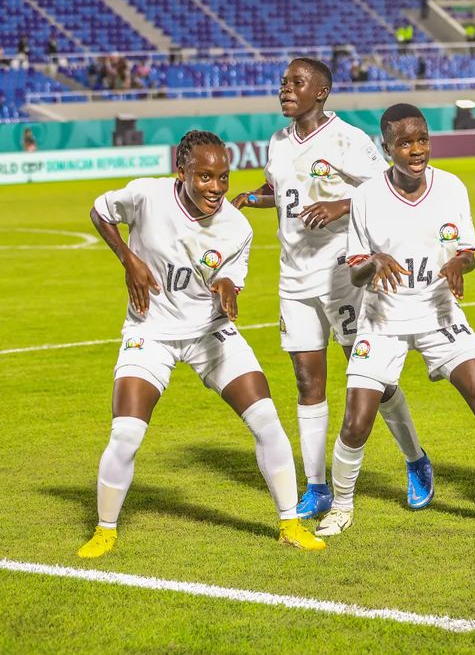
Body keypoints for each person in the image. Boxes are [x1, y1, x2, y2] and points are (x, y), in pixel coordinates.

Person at [78, 131, 326, 558]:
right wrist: (128, 259)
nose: (216, 188)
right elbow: (99, 212)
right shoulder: (147, 196)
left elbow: (230, 276)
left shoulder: (237, 227)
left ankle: (290, 524)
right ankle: (105, 530)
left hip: (210, 333)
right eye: (205, 177)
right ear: (182, 172)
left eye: (223, 177)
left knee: (267, 420)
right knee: (126, 434)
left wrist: (228, 286)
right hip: (150, 332)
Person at [315, 103, 475, 537]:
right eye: (405, 143)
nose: (416, 149)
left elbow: (467, 252)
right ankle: (341, 508)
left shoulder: (452, 187)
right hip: (383, 318)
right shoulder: (366, 197)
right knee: (357, 421)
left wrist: (459, 264)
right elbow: (356, 270)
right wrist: (374, 261)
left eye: (422, 140)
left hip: (439, 312)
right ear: (387, 148)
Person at [233, 58, 432, 520]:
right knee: (308, 383)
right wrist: (254, 197)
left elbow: (391, 185)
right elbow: (286, 190)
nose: (285, 89)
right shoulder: (278, 141)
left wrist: (341, 205)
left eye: (296, 83)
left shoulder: (348, 139)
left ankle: (415, 458)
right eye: (283, 82)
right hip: (293, 277)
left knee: (373, 379)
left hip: (344, 275)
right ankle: (318, 487)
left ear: (321, 91)